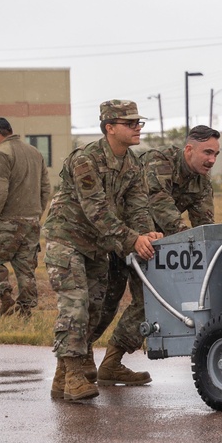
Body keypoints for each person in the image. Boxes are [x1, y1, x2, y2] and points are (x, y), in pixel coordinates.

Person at [43, 100, 162, 402]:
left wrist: (146, 233)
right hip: (67, 239)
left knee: (94, 311)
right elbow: (96, 210)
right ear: (110, 128)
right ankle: (73, 376)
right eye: (130, 123)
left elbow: (138, 207)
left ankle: (62, 377)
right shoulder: (86, 161)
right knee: (76, 305)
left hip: (97, 245)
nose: (137, 128)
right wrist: (132, 239)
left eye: (139, 123)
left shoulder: (132, 164)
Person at [91, 125, 220, 387]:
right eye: (207, 152)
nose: (212, 160)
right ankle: (75, 360)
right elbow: (160, 205)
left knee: (148, 301)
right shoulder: (159, 162)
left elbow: (204, 226)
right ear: (188, 149)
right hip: (119, 235)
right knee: (103, 303)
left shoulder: (201, 182)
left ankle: (111, 364)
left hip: (149, 246)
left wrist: (211, 248)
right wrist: (184, 237)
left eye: (216, 154)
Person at [0, 117, 51, 319]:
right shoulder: (35, 152)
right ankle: (25, 310)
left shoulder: (0, 153)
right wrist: (36, 213)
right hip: (32, 221)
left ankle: (6, 300)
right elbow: (46, 188)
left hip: (8, 220)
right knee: (26, 267)